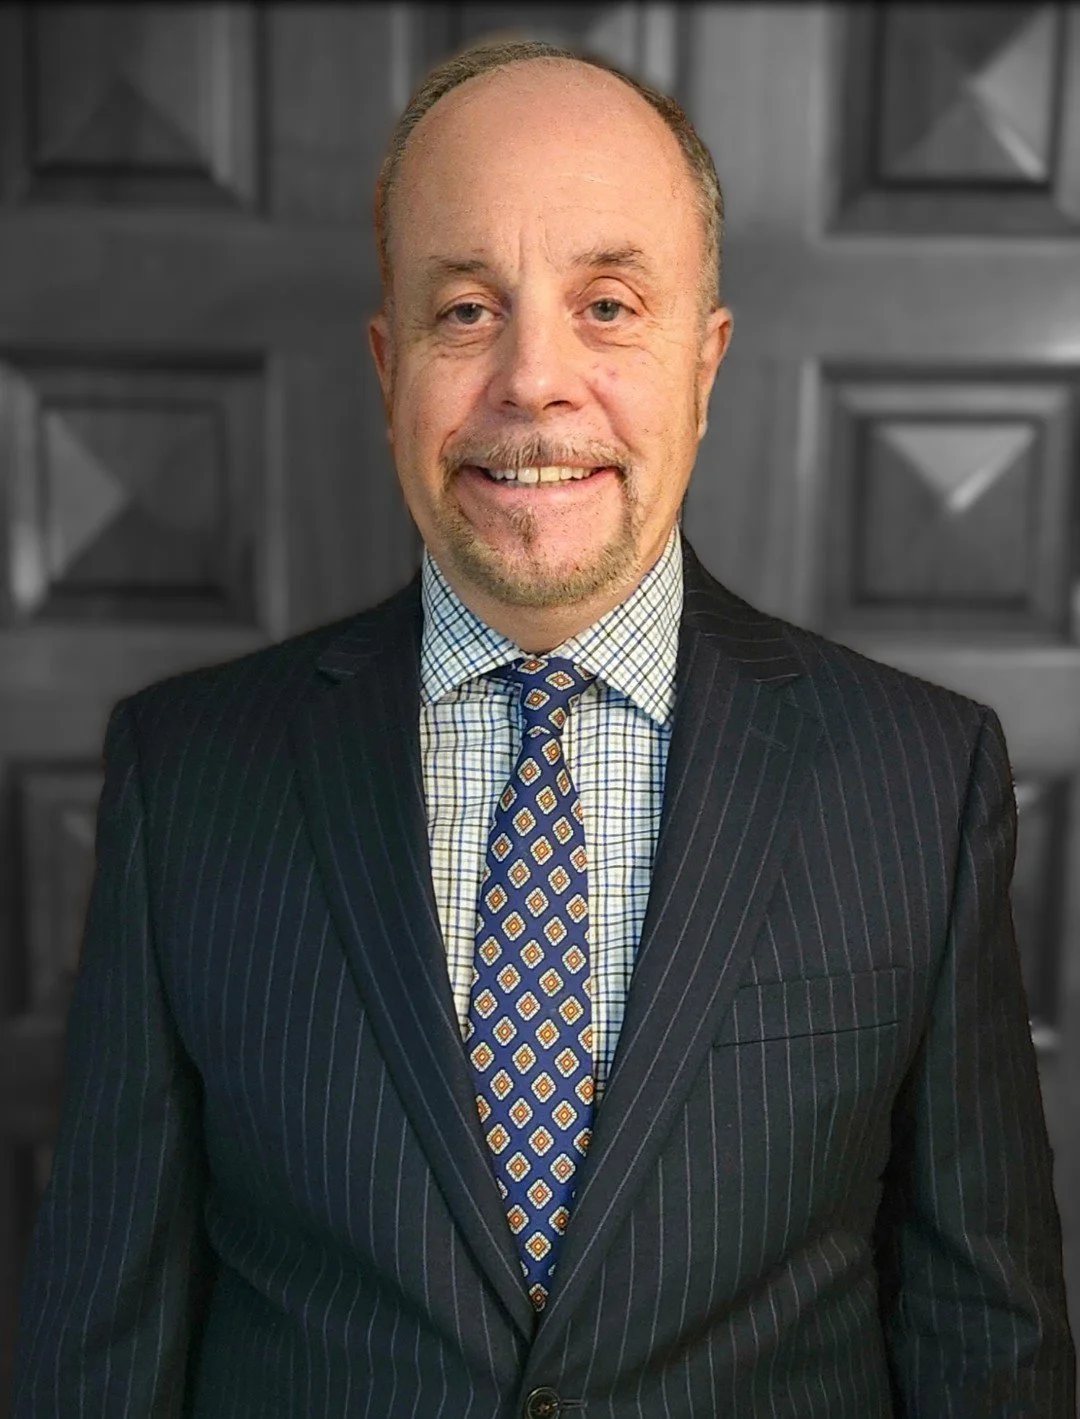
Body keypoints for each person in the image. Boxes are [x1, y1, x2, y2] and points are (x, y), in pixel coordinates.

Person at [12, 36, 1076, 1419]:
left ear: (706, 362)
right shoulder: (189, 773)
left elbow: (985, 1340)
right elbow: (102, 1339)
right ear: (390, 364)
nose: (533, 380)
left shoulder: (920, 782)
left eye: (610, 304)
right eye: (466, 312)